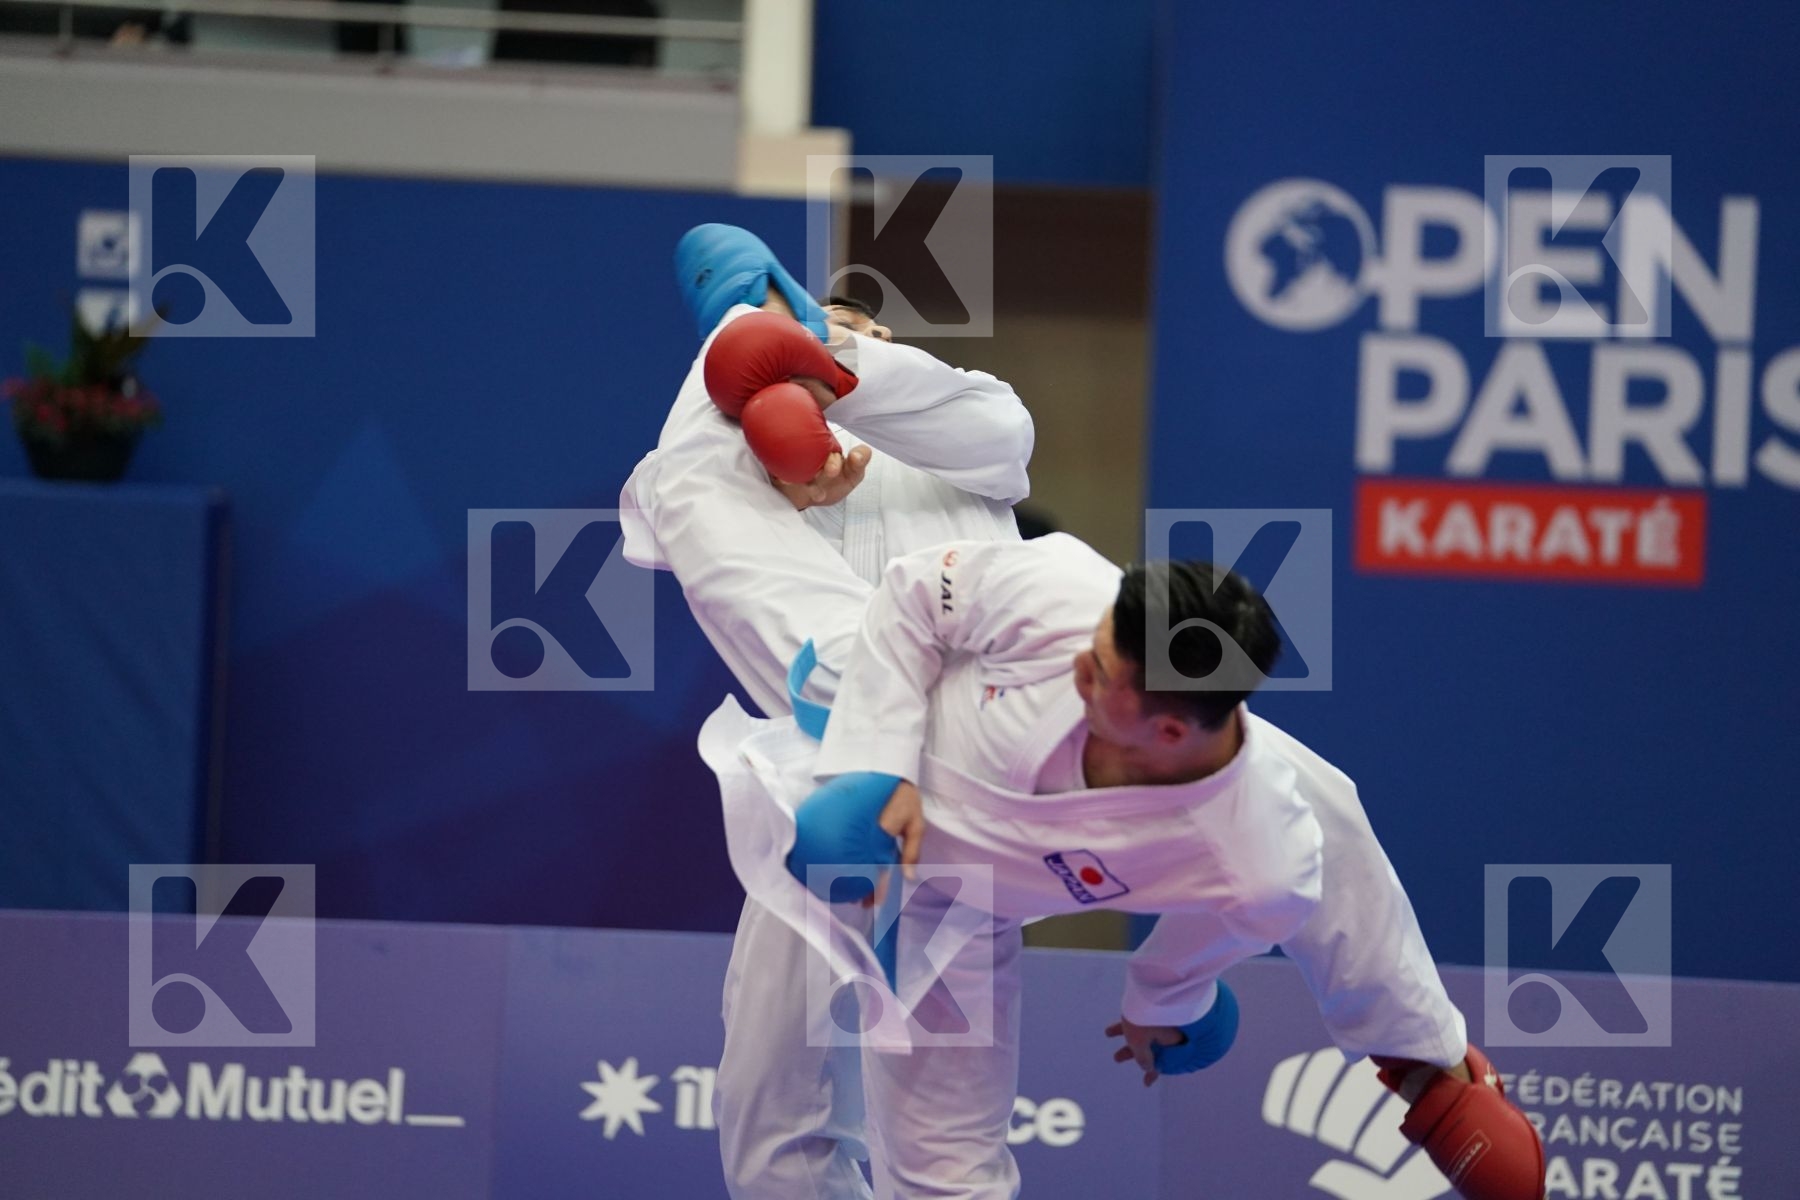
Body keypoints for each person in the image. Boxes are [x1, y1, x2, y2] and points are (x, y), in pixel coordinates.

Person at [625, 226, 1543, 1200]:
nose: (1084, 666)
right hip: (863, 736)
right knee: (772, 1122)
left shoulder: (1264, 834)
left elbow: (1227, 938)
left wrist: (1177, 1005)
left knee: (947, 1177)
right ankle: (748, 296)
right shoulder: (1078, 598)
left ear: (1175, 725)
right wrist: (875, 764)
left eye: (1105, 676)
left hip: (956, 902)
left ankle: (1429, 1065)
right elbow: (883, 592)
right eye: (822, 338)